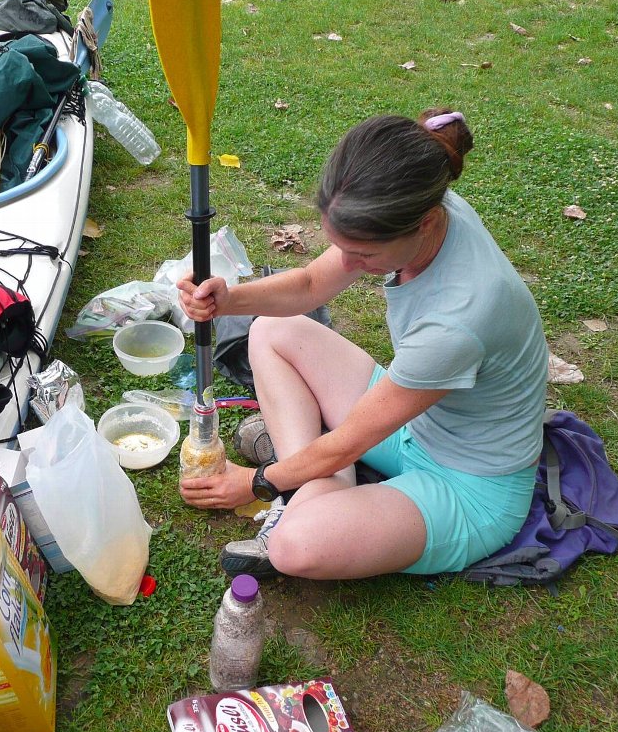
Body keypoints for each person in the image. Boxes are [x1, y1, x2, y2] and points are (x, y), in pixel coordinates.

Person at [176, 108, 549, 581]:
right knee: (272, 328)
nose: (349, 264)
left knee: (295, 546)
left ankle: (299, 491)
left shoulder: (460, 318)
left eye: (365, 255)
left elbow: (350, 441)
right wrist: (228, 299)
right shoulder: (419, 205)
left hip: (469, 484)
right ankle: (311, 489)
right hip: (416, 422)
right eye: (343, 247)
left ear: (426, 223)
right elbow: (312, 283)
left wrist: (254, 483)